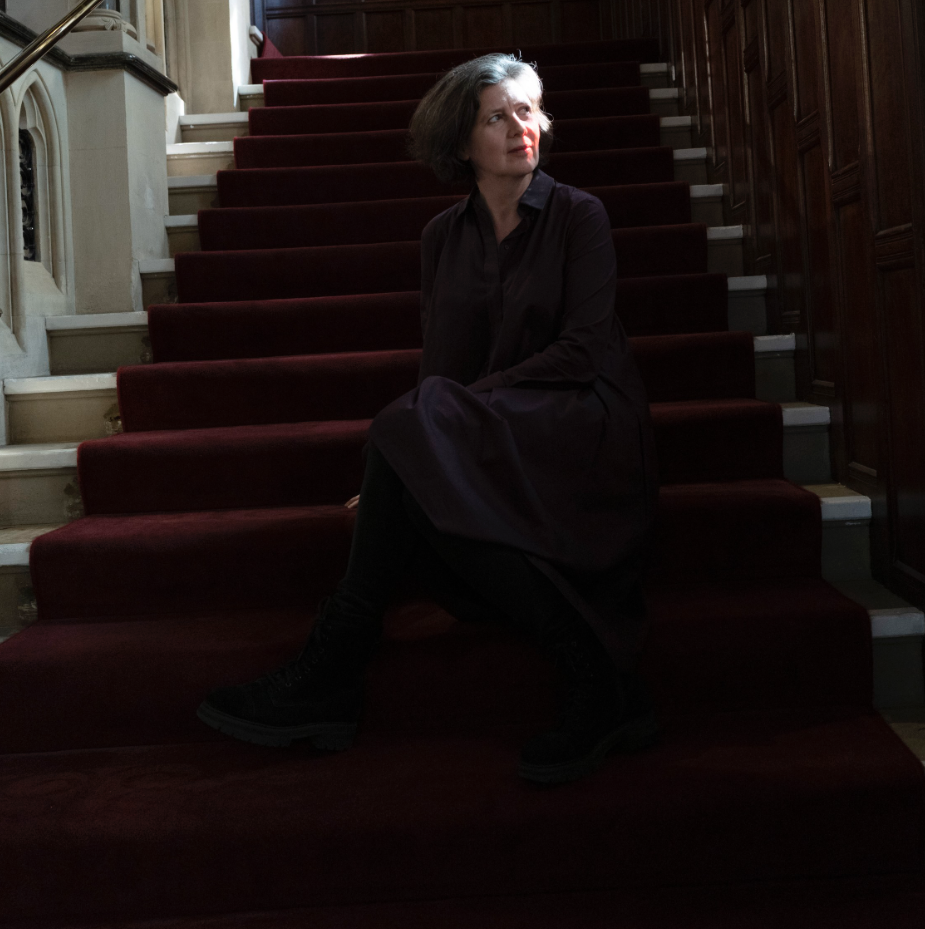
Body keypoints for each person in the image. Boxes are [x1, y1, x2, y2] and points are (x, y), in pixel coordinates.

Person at [198, 53, 659, 784]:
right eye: (498, 116)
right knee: (413, 434)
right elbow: (440, 369)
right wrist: (419, 448)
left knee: (419, 429)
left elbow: (582, 350)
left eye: (529, 110)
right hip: (494, 425)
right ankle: (599, 682)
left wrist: (453, 419)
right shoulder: (443, 237)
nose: (522, 128)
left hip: (581, 420)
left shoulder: (578, 215)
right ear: (461, 140)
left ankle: (334, 669)